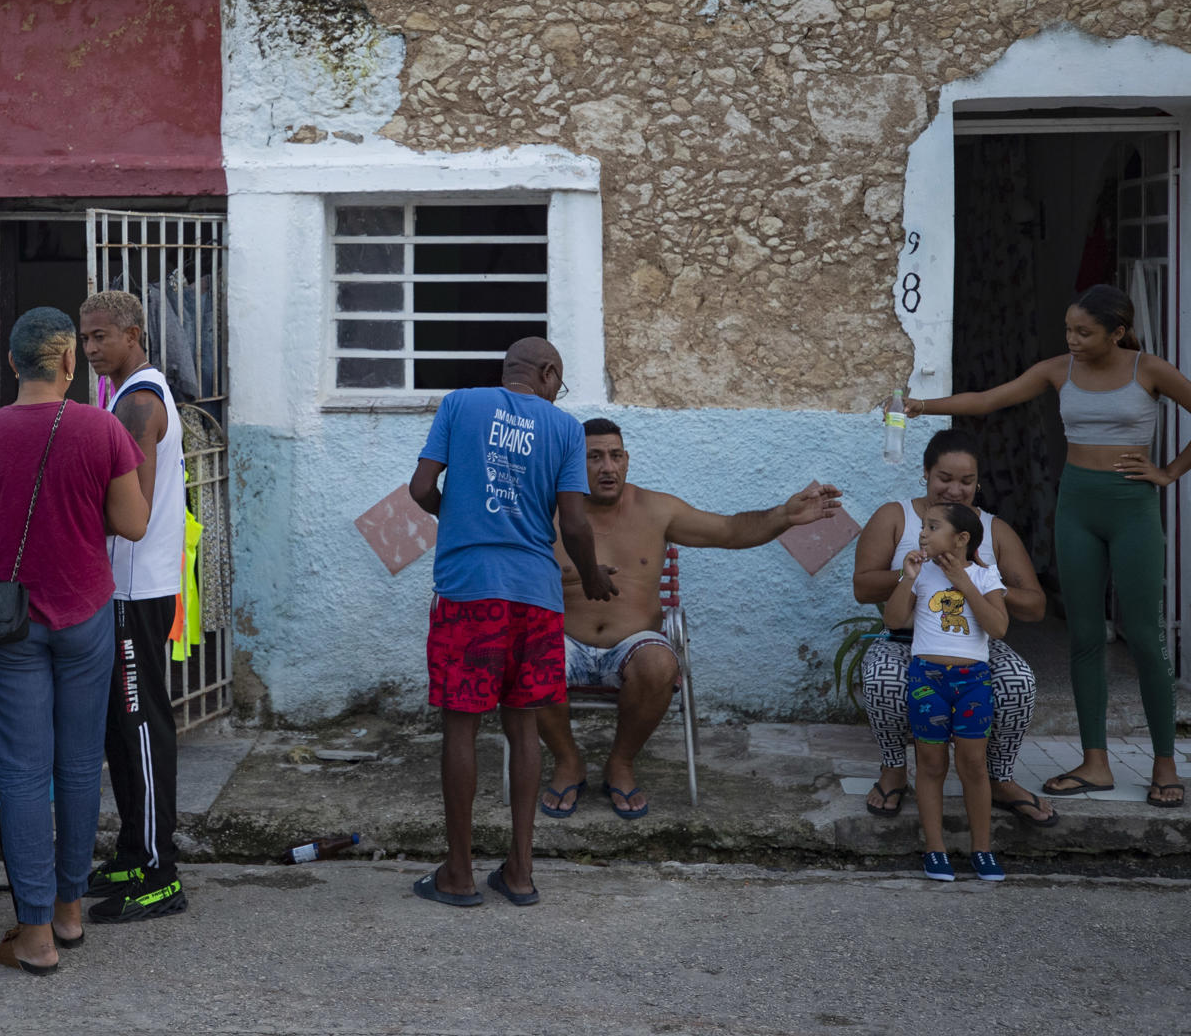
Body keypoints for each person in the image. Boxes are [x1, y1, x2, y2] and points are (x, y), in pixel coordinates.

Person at [906, 284, 1185, 808]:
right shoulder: (1060, 369)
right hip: (1076, 505)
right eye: (1068, 330)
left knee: (1146, 635)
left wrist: (1169, 471)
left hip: (1132, 509)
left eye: (1084, 332)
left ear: (1117, 333)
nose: (1072, 340)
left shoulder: (1150, 369)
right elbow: (990, 399)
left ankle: (1165, 765)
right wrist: (920, 405)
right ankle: (1095, 762)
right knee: (1084, 634)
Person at [0, 306, 149, 975]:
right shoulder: (103, 428)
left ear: (12, 363)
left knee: (24, 774)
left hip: (11, 623)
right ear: (67, 363)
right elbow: (134, 525)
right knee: (81, 765)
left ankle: (34, 935)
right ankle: (70, 911)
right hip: (85, 613)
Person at [538, 419, 843, 820]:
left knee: (661, 662)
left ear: (627, 460)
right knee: (526, 654)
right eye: (593, 457)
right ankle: (567, 761)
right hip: (566, 641)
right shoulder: (547, 513)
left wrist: (784, 515)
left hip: (633, 644)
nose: (607, 467)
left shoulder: (657, 509)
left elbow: (730, 531)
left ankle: (621, 762)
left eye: (615, 456)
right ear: (573, 463)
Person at [406, 337, 614, 909]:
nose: (557, 392)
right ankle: (520, 873)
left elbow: (421, 488)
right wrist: (592, 576)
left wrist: (460, 513)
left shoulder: (460, 404)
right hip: (536, 597)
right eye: (559, 382)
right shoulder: (566, 429)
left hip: (469, 591)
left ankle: (458, 874)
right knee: (524, 730)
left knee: (461, 730)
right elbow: (573, 522)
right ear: (548, 372)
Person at [852, 429, 1055, 826]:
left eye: (967, 481)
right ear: (926, 474)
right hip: (905, 641)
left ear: (978, 483)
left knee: (1018, 681)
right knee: (881, 679)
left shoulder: (992, 530)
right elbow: (861, 586)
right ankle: (894, 769)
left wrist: (979, 579)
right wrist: (915, 572)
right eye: (945, 478)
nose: (955, 490)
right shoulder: (897, 517)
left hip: (973, 641)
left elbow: (1034, 605)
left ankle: (1000, 778)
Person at [78, 290, 188, 924]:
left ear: (133, 335)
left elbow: (132, 513)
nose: (92, 348)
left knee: (143, 724)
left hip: (133, 589)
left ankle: (159, 872)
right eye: (85, 338)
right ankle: (132, 849)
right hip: (126, 587)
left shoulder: (139, 401)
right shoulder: (120, 396)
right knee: (123, 725)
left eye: (102, 337)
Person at [882, 502, 1011, 881]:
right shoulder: (920, 575)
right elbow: (892, 621)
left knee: (973, 764)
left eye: (932, 527)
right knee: (931, 764)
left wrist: (965, 584)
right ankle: (935, 849)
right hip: (928, 680)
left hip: (972, 681)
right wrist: (907, 578)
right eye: (923, 526)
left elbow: (998, 628)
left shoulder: (986, 577)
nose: (923, 533)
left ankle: (982, 849)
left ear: (962, 538)